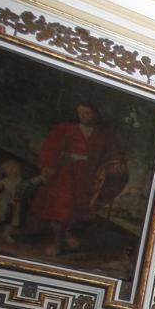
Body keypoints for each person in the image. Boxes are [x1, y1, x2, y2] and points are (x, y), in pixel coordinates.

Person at [29, 102, 129, 257]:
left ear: (95, 113)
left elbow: (113, 154)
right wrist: (48, 166)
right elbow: (50, 148)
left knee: (77, 209)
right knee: (59, 209)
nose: (83, 116)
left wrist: (117, 164)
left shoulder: (104, 134)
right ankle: (56, 241)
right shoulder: (65, 129)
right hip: (65, 174)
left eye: (87, 112)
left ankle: (68, 233)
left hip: (87, 177)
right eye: (80, 113)